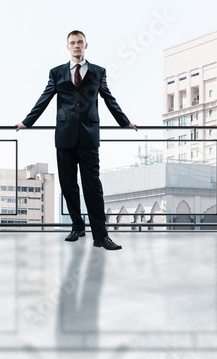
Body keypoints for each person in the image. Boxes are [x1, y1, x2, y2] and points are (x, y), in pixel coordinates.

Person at [16, 30, 137, 250]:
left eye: (80, 42)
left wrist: (124, 122)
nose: (76, 46)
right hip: (64, 137)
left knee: (93, 187)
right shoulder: (57, 73)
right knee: (68, 185)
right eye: (72, 43)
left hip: (89, 137)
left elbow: (109, 99)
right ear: (68, 47)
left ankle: (101, 236)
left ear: (86, 45)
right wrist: (27, 122)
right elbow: (44, 98)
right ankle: (77, 226)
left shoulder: (98, 72)